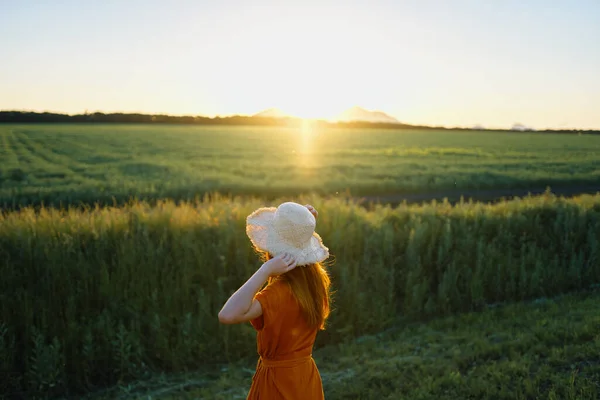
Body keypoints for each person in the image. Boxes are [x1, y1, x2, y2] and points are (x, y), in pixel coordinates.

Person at [218, 202, 332, 399]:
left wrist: (265, 270)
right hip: (305, 377)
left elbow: (227, 315)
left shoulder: (276, 293)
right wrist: (302, 224)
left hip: (278, 384)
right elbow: (298, 244)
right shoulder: (315, 282)